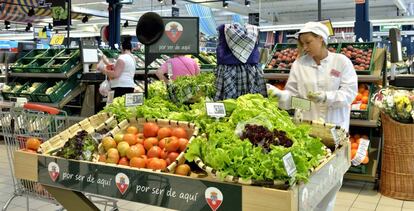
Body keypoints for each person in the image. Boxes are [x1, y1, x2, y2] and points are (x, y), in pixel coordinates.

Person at [267, 22, 358, 211]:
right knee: (309, 182)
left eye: (308, 42)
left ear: (321, 39)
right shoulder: (299, 64)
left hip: (335, 130)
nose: (305, 47)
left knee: (333, 181)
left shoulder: (341, 62)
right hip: (307, 131)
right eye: (302, 44)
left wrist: (327, 97)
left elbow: (350, 94)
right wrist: (281, 97)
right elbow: (298, 100)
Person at [214, 23, 267, 100]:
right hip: (251, 70)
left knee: (228, 103)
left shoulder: (224, 31)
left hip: (228, 70)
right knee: (252, 101)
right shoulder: (254, 32)